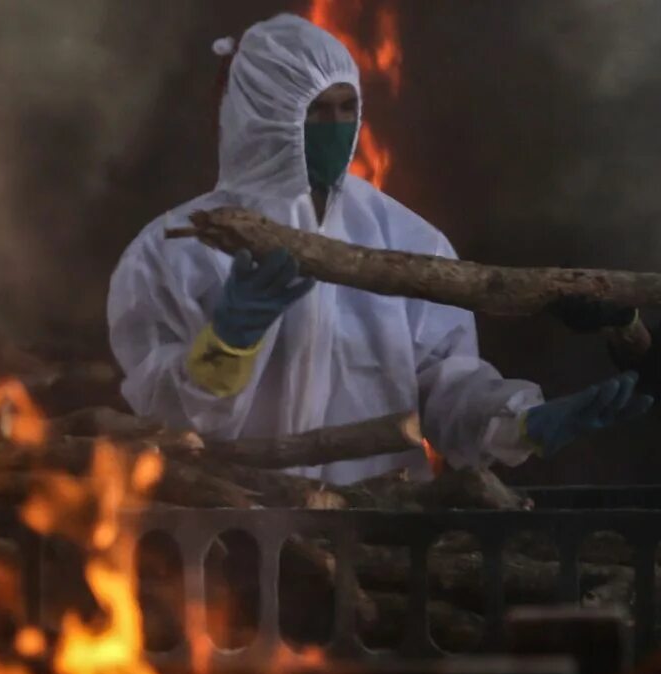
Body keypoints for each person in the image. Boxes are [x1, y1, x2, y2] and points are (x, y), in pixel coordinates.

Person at [107, 13, 650, 484]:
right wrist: (226, 346)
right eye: (318, 110)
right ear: (262, 114)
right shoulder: (173, 254)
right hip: (228, 535)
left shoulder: (406, 241)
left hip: (374, 539)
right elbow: (163, 424)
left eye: (348, 107)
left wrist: (522, 423)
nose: (338, 128)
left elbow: (444, 388)